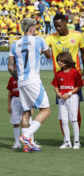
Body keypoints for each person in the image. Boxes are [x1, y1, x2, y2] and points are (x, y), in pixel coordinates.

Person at [8, 18, 52, 152]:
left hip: (21, 82)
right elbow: (49, 56)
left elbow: (10, 67)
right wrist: (46, 51)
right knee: (46, 110)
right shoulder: (39, 40)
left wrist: (18, 78)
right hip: (33, 80)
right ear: (31, 28)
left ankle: (28, 145)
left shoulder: (15, 44)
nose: (36, 29)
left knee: (26, 112)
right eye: (35, 27)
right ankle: (26, 136)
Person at [46, 13, 84, 134]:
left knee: (75, 109)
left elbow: (83, 52)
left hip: (75, 77)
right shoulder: (51, 37)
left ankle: (76, 137)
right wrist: (46, 53)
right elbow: (43, 48)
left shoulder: (77, 36)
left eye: (59, 26)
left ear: (65, 23)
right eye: (55, 26)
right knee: (62, 110)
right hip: (59, 78)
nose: (58, 29)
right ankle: (66, 138)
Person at [51, 52, 84, 149]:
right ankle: (67, 142)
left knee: (74, 119)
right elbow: (56, 86)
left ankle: (76, 142)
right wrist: (58, 93)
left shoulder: (75, 72)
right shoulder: (58, 73)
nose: (59, 62)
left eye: (61, 60)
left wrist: (69, 93)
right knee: (64, 120)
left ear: (67, 60)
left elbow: (79, 86)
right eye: (58, 60)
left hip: (72, 97)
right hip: (62, 99)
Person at [7, 76, 23, 149]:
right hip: (15, 100)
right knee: (15, 122)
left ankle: (29, 142)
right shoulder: (12, 78)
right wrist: (9, 105)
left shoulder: (24, 76)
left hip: (24, 99)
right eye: (15, 67)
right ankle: (17, 142)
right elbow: (10, 92)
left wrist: (31, 107)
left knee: (26, 121)